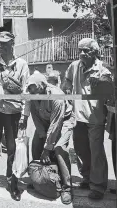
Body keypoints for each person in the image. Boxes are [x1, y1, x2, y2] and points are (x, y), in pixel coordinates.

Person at [0, 31, 30, 201]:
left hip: (13, 111)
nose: (0, 46)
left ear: (12, 44)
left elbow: (26, 91)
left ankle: (12, 182)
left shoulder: (22, 64)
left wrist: (24, 115)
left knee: (12, 149)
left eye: (4, 43)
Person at [62, 38, 112, 200]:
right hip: (77, 115)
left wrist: (101, 83)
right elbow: (67, 81)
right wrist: (67, 89)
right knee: (80, 150)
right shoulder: (74, 66)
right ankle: (87, 177)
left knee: (96, 151)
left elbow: (108, 91)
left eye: (86, 50)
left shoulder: (103, 69)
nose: (82, 53)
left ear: (95, 52)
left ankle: (98, 186)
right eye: (80, 50)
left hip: (95, 116)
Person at [24, 72, 74, 205]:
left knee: (58, 149)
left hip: (63, 121)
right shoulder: (33, 94)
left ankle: (66, 188)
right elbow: (35, 116)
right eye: (30, 89)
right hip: (44, 121)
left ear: (43, 86)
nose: (32, 92)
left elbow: (56, 124)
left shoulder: (56, 96)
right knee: (36, 145)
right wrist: (41, 135)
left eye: (34, 89)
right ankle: (38, 180)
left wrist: (47, 148)